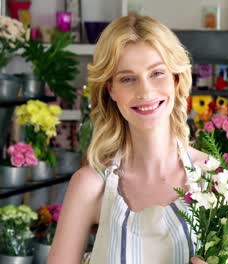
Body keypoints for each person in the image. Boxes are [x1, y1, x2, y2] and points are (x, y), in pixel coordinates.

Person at [48, 13, 208, 264]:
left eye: (157, 73)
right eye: (127, 78)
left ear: (176, 79)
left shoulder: (216, 179)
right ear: (111, 89)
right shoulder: (90, 186)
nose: (145, 91)